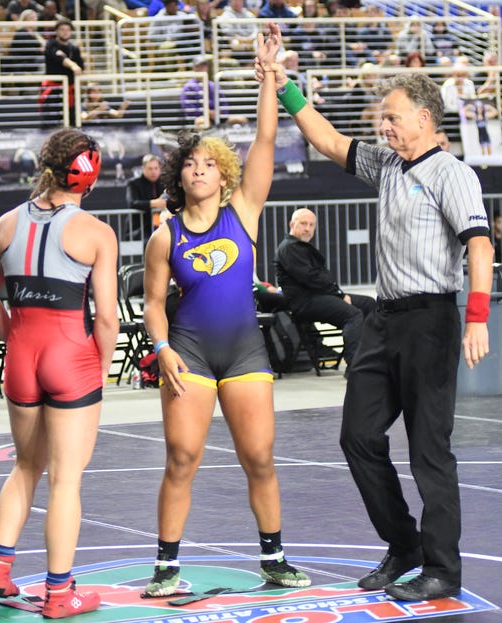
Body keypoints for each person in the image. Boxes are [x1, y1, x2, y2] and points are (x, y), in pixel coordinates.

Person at [255, 60, 494, 601]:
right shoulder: (387, 164)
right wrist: (283, 82)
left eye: (393, 117)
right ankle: (404, 544)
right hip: (383, 320)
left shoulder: (452, 175)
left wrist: (476, 316)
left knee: (429, 452)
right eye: (382, 117)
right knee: (358, 437)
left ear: (426, 119)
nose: (383, 125)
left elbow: (480, 244)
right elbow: (328, 138)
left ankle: (442, 570)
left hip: (431, 321)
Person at [141, 22, 310, 598]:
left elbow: (265, 140)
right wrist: (160, 348)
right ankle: (165, 567)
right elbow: (153, 304)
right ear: (179, 174)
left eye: (208, 165)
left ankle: (275, 558)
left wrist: (267, 73)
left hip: (243, 351)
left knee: (259, 458)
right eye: (189, 165)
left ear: (223, 174)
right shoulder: (163, 238)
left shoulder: (244, 212)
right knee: (182, 457)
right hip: (187, 353)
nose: (197, 171)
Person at [0, 127, 120, 618]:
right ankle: (60, 594)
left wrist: (15, 337)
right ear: (88, 174)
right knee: (66, 480)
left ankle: (0, 567)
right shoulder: (97, 232)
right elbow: (106, 317)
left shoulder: (5, 223)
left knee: (25, 465)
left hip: (21, 352)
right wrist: (99, 366)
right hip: (68, 354)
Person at [274, 207, 375, 366]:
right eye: (303, 224)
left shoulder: (300, 247)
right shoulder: (289, 248)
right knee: (353, 315)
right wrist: (340, 296)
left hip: (320, 296)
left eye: (311, 225)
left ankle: (371, 357)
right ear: (292, 224)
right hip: (305, 303)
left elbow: (321, 279)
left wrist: (338, 294)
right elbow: (313, 279)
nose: (308, 228)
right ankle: (356, 367)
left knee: (369, 304)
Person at [40, 18, 84, 127]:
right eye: (62, 29)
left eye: (68, 29)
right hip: (53, 90)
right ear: (57, 31)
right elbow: (59, 57)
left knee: (72, 120)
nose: (65, 32)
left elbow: (81, 67)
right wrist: (72, 65)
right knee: (51, 121)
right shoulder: (50, 45)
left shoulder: (74, 48)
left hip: (71, 90)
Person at [125, 153, 167, 242]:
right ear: (143, 169)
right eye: (150, 168)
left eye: (156, 168)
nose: (153, 171)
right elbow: (132, 203)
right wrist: (154, 203)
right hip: (139, 229)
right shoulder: (134, 183)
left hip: (161, 227)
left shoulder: (164, 183)